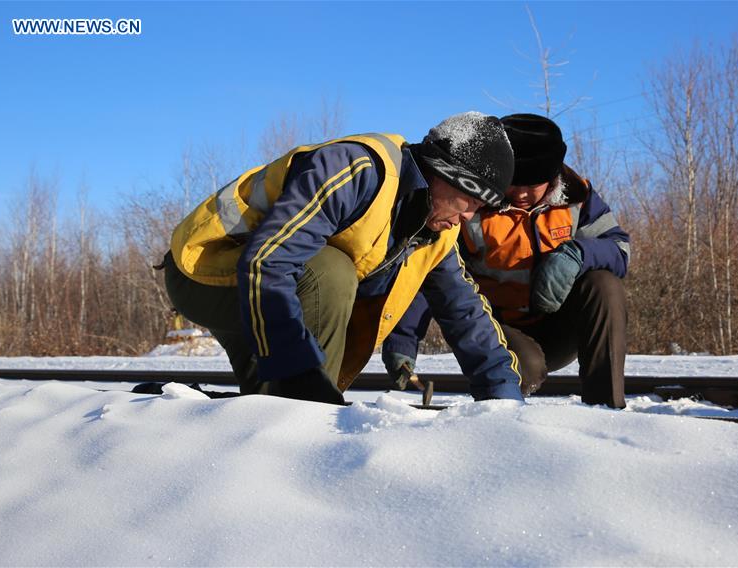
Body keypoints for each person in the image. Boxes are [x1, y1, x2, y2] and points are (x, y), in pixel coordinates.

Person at [162, 112, 524, 404]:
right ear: (445, 174)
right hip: (205, 269)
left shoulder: (436, 231)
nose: (468, 219)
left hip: (265, 294)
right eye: (471, 203)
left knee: (263, 404)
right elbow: (268, 263)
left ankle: (180, 413)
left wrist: (503, 398)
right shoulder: (360, 170)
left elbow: (465, 312)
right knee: (330, 274)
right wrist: (303, 378)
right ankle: (302, 412)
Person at [382, 114, 630, 408]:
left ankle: (606, 407)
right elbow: (434, 269)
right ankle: (506, 421)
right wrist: (403, 338)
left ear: (552, 177)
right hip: (503, 332)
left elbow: (618, 248)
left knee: (605, 284)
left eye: (533, 185)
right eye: (515, 184)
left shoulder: (578, 197)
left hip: (560, 327)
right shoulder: (472, 206)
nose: (522, 193)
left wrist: (579, 253)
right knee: (519, 373)